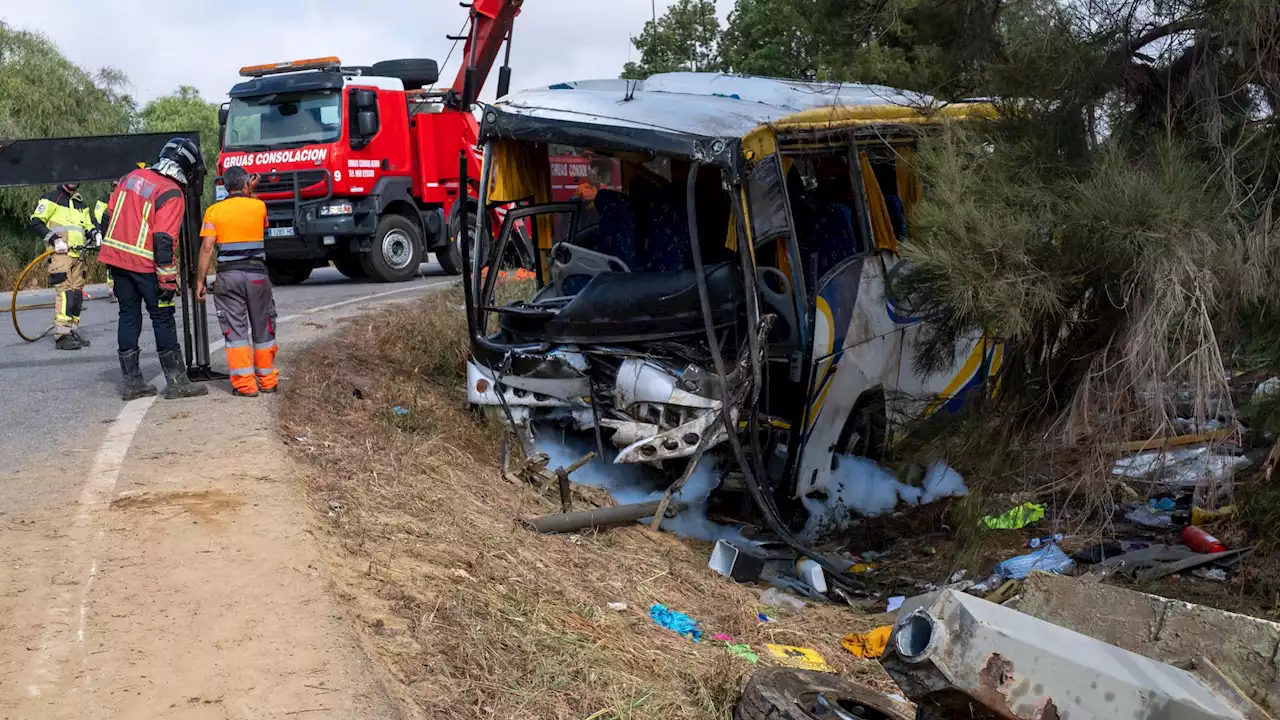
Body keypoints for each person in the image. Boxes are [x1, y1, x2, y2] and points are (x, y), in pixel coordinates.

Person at [98, 137, 209, 401]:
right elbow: (164, 240)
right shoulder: (171, 191)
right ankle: (177, 381)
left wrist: (113, 252)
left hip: (117, 260)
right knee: (162, 317)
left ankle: (132, 383)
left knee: (128, 315)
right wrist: (168, 282)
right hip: (146, 265)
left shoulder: (130, 178)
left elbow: (107, 217)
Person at [195, 166, 278, 397]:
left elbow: (207, 248)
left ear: (223, 187)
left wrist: (200, 281)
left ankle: (245, 385)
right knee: (263, 327)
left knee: (236, 332)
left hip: (228, 277)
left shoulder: (213, 211)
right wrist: (251, 192)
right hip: (258, 277)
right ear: (245, 185)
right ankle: (268, 380)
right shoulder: (258, 205)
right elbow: (262, 224)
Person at [29, 182, 96, 349]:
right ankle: (61, 335)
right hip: (60, 255)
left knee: (76, 294)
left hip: (78, 256)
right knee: (65, 293)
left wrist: (95, 233)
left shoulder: (81, 203)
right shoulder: (51, 198)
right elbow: (36, 222)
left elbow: (88, 225)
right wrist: (54, 239)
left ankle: (71, 330)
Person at [91, 183, 119, 303]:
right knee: (111, 265)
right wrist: (99, 234)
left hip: (124, 237)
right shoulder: (104, 199)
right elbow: (98, 217)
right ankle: (112, 289)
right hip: (109, 236)